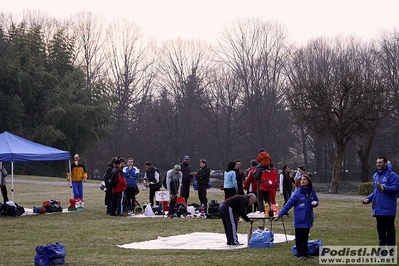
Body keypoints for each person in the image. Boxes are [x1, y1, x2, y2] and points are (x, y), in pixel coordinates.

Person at [278, 174, 319, 261]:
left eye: (304, 180)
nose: (302, 181)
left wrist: (315, 203)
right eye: (301, 180)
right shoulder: (297, 193)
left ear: (308, 181)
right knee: (299, 237)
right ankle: (300, 254)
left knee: (305, 236)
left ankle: (306, 252)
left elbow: (316, 200)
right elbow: (289, 203)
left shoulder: (312, 191)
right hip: (300, 218)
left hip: (308, 218)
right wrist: (281, 213)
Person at [363, 157, 399, 247]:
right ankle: (381, 251)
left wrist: (385, 188)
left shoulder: (392, 175)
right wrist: (369, 199)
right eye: (377, 162)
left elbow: (396, 188)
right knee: (381, 232)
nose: (378, 164)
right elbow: (376, 191)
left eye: (380, 162)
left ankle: (391, 253)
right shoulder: (376, 175)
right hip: (378, 209)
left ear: (385, 163)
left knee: (390, 232)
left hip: (388, 209)